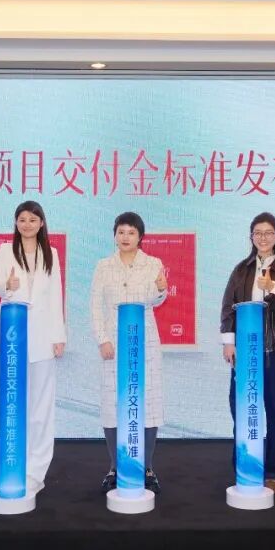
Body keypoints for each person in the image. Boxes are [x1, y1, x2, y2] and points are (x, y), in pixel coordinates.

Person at [220, 212, 275, 493]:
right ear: (251, 237)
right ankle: (245, 465)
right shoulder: (241, 270)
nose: (263, 238)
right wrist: (229, 342)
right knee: (241, 407)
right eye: (258, 233)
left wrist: (273, 289)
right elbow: (228, 307)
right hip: (244, 351)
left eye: (268, 233)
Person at [0, 201, 66, 495]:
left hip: (43, 336)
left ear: (41, 223)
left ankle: (36, 471)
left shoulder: (51, 254)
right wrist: (7, 285)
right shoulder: (4, 250)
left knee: (41, 407)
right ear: (15, 222)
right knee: (14, 404)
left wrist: (58, 335)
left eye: (32, 219)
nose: (27, 224)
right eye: (22, 219)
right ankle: (14, 465)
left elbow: (55, 296)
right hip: (13, 336)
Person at [90, 211, 168, 493]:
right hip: (114, 341)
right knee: (113, 402)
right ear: (114, 235)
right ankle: (115, 465)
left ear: (140, 237)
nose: (125, 237)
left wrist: (160, 290)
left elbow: (157, 299)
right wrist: (102, 339)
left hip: (144, 341)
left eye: (131, 232)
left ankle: (146, 467)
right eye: (121, 232)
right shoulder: (103, 266)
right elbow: (95, 305)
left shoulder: (153, 263)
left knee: (148, 403)